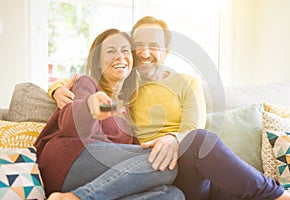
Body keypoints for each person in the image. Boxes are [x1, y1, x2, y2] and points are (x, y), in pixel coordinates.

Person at [48, 17, 290, 200]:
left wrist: (172, 139)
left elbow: (192, 128)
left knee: (192, 173)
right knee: (175, 176)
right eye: (138, 47)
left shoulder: (182, 84)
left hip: (182, 168)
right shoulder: (121, 86)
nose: (145, 53)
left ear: (166, 51)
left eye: (154, 46)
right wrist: (57, 89)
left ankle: (274, 194)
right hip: (151, 168)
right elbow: (85, 94)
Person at [35, 29, 185, 200]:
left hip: (99, 177)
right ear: (98, 62)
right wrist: (90, 106)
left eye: (125, 50)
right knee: (163, 163)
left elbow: (132, 159)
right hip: (67, 162)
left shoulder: (128, 108)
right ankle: (80, 198)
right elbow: (70, 124)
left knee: (172, 195)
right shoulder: (87, 84)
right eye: (111, 51)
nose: (120, 56)